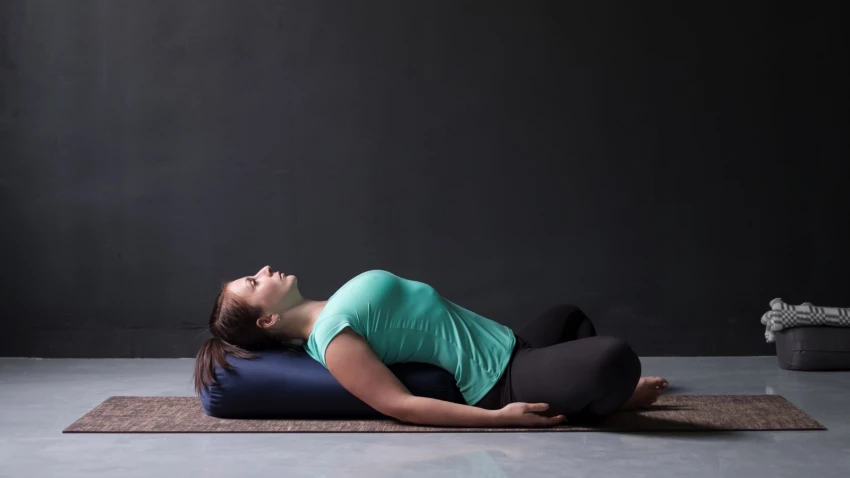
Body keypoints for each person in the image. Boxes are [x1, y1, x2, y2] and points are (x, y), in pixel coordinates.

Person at [193, 266, 669, 428]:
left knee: (569, 316)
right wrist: (496, 421)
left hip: (510, 345)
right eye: (254, 282)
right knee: (614, 358)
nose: (264, 270)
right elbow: (398, 404)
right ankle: (604, 403)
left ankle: (580, 393)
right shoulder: (332, 340)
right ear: (269, 319)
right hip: (499, 382)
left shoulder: (333, 307)